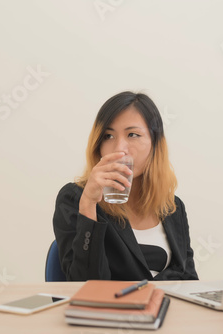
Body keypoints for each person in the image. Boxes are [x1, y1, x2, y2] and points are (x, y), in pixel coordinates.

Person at [53, 91, 198, 281]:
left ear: (155, 144)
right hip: (110, 310)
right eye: (108, 136)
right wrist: (88, 203)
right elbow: (84, 284)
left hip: (165, 309)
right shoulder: (74, 198)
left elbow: (188, 279)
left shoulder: (173, 207)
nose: (120, 148)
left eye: (132, 134)